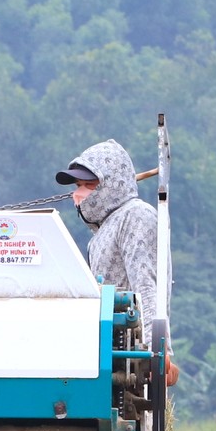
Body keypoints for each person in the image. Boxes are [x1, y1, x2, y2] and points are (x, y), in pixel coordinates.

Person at [56, 139, 179, 385]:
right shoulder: (100, 234)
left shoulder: (135, 215)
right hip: (105, 353)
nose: (80, 193)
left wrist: (155, 350)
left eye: (89, 185)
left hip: (129, 354)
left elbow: (146, 285)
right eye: (78, 185)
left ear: (111, 186)